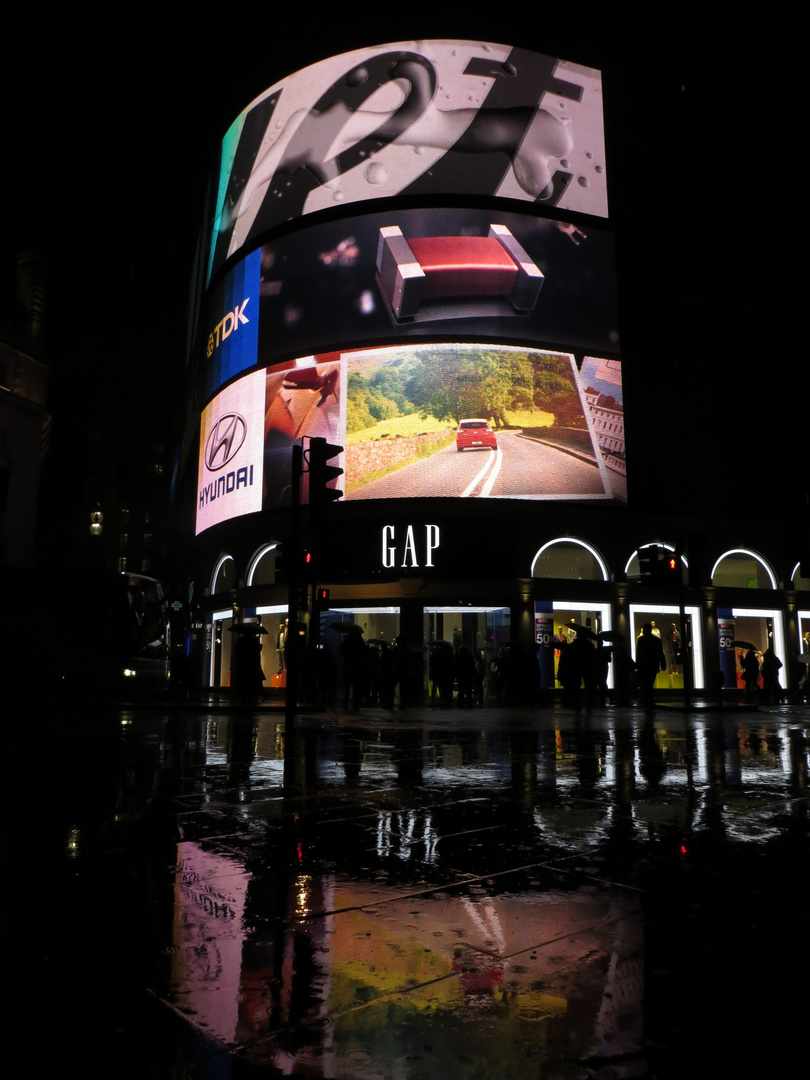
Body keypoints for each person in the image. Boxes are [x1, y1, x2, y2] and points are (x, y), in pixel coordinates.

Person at [635, 622, 666, 710]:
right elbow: (661, 653)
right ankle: (650, 701)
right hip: (653, 666)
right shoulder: (657, 640)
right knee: (650, 683)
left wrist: (637, 664)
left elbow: (639, 653)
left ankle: (647, 701)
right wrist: (663, 664)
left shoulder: (641, 640)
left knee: (645, 685)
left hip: (643, 666)